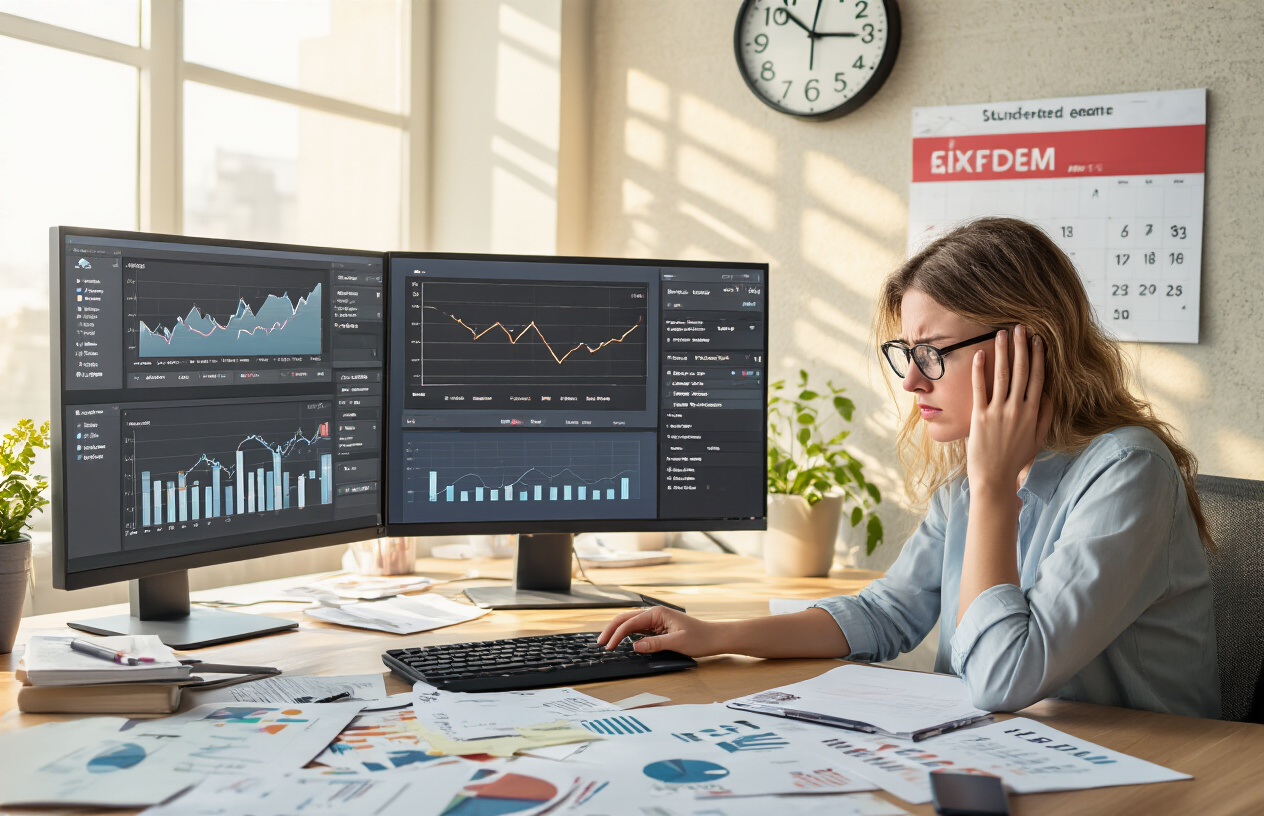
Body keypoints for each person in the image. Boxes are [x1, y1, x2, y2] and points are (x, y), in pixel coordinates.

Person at [599, 217, 1221, 718]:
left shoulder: (1127, 471)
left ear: (1028, 345)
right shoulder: (970, 479)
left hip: (1141, 767)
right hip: (1005, 753)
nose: (914, 379)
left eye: (931, 352)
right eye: (905, 353)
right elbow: (884, 615)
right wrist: (715, 635)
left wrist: (994, 489)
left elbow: (1006, 678)